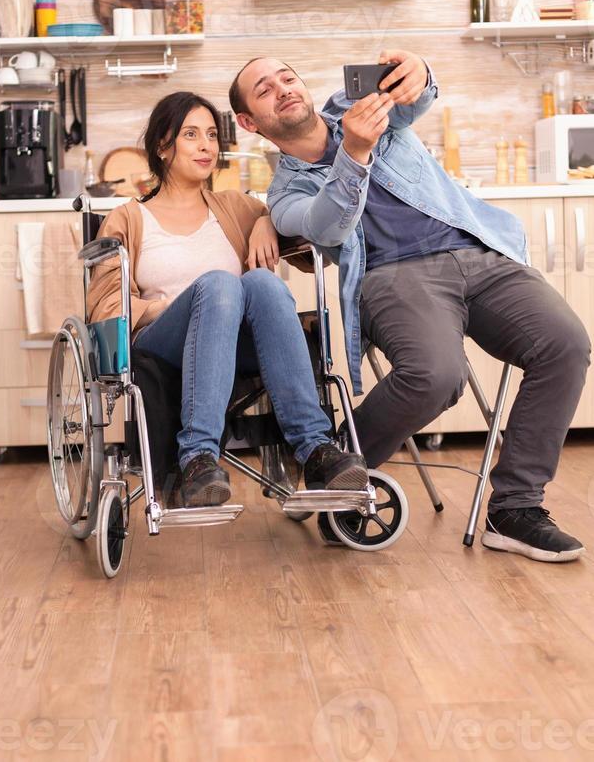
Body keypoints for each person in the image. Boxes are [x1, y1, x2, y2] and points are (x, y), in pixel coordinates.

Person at [228, 53, 591, 561]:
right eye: (264, 90)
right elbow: (329, 225)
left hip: (478, 250)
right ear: (249, 122)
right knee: (437, 375)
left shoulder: (356, 106)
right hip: (393, 277)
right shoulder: (287, 193)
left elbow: (416, 99)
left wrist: (418, 69)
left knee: (567, 344)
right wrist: (354, 153)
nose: (283, 88)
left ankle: (515, 511)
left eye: (288, 77)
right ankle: (332, 469)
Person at [86, 91, 368, 508]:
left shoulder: (237, 207)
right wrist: (170, 306)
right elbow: (106, 307)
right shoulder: (128, 217)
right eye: (191, 135)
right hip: (160, 342)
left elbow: (313, 245)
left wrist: (268, 221)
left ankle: (315, 449)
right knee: (219, 283)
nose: (206, 146)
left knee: (264, 285)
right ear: (163, 147)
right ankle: (198, 455)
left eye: (212, 135)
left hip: (236, 344)